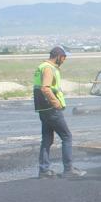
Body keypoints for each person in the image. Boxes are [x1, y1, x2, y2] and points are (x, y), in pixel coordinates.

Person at [33, 46, 86, 178]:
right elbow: (45, 88)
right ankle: (68, 169)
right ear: (58, 56)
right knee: (67, 137)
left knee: (47, 139)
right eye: (64, 57)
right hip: (51, 109)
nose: (64, 60)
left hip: (42, 109)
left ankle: (44, 171)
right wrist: (56, 103)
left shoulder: (42, 67)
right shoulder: (48, 69)